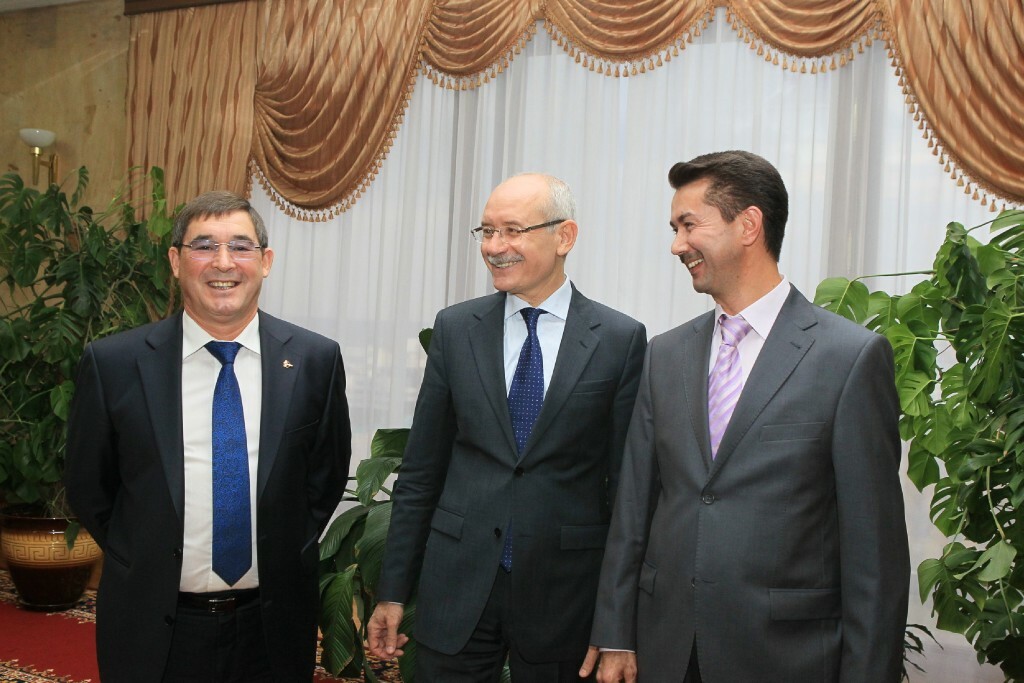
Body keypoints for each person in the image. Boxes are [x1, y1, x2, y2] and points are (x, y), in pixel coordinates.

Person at [582, 151, 910, 682]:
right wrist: (616, 632)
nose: (676, 245)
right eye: (674, 229)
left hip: (787, 658)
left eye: (689, 225)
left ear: (749, 225)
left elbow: (875, 551)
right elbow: (635, 507)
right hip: (667, 650)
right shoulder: (665, 355)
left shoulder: (849, 358)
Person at [366, 173, 647, 681]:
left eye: (513, 230)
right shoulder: (456, 329)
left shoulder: (619, 339)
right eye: (487, 231)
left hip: (566, 597)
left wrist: (618, 621)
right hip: (457, 586)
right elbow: (421, 471)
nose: (495, 247)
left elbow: (628, 492)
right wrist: (392, 591)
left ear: (564, 236)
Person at [64, 191, 352, 682]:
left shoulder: (314, 361)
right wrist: (146, 552)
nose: (223, 263)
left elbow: (322, 482)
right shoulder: (114, 364)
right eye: (203, 246)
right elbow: (91, 488)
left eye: (240, 246)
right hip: (154, 625)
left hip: (272, 626)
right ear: (176, 262)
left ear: (265, 262)